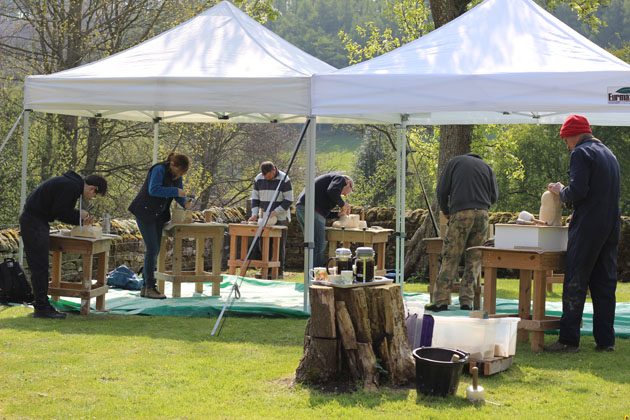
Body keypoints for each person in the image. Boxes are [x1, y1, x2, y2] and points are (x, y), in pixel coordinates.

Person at [544, 115, 620, 353]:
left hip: (588, 224)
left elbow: (578, 191)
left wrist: (560, 190)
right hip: (611, 224)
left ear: (573, 134)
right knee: (604, 283)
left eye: (565, 139)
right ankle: (605, 341)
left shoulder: (580, 153)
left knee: (575, 279)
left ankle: (568, 340)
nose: (565, 144)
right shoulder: (608, 154)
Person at [20, 172, 107, 319]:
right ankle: (41, 307)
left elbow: (58, 210)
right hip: (34, 222)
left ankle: (42, 304)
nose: (91, 198)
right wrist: (78, 215)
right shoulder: (71, 187)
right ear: (92, 188)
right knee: (39, 266)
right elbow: (59, 212)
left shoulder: (71, 184)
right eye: (94, 195)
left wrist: (77, 218)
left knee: (39, 266)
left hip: (36, 221)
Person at [425, 153, 498, 312]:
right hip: (482, 215)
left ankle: (441, 301)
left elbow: (442, 190)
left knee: (451, 255)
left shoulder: (454, 162)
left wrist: (446, 210)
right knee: (474, 258)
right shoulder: (487, 167)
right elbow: (494, 196)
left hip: (461, 213)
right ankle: (467, 301)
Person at [128, 152, 192, 299]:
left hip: (159, 215)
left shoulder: (177, 175)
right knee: (152, 249)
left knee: (154, 250)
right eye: (179, 171)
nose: (179, 175)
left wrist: (184, 202)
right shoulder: (159, 169)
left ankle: (146, 287)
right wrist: (176, 191)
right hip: (145, 212)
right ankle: (149, 286)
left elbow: (178, 194)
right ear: (172, 164)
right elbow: (154, 189)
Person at [295, 174, 353, 267]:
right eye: (347, 193)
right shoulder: (340, 179)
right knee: (319, 244)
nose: (345, 195)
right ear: (348, 182)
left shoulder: (331, 192)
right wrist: (343, 205)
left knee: (310, 242)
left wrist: (338, 214)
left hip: (301, 208)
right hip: (312, 208)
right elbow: (332, 191)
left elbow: (325, 213)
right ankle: (316, 273)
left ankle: (310, 271)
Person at [248, 161, 293, 277]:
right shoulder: (258, 179)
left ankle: (278, 272)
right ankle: (265, 270)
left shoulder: (284, 179)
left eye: (269, 176)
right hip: (264, 217)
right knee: (263, 243)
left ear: (274, 170)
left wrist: (276, 211)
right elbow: (255, 198)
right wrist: (254, 214)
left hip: (280, 217)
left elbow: (289, 200)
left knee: (278, 245)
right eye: (265, 177)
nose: (267, 179)